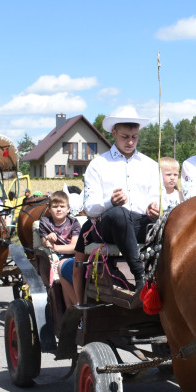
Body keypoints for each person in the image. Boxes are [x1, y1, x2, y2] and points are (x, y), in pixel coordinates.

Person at [81, 107, 160, 292]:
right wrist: (110, 202)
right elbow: (89, 208)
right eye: (125, 136)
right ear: (114, 133)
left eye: (134, 136)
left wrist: (154, 206)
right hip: (108, 226)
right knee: (119, 213)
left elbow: (156, 195)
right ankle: (140, 276)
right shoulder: (98, 164)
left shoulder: (150, 165)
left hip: (141, 224)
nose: (131, 141)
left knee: (166, 220)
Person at [39, 190, 86, 307]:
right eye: (55, 207)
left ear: (68, 208)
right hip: (55, 258)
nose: (59, 209)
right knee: (62, 270)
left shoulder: (73, 222)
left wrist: (56, 247)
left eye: (62, 206)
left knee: (64, 271)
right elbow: (45, 242)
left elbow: (75, 247)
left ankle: (73, 311)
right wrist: (49, 238)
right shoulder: (45, 222)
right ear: (49, 209)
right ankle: (76, 309)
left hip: (73, 257)